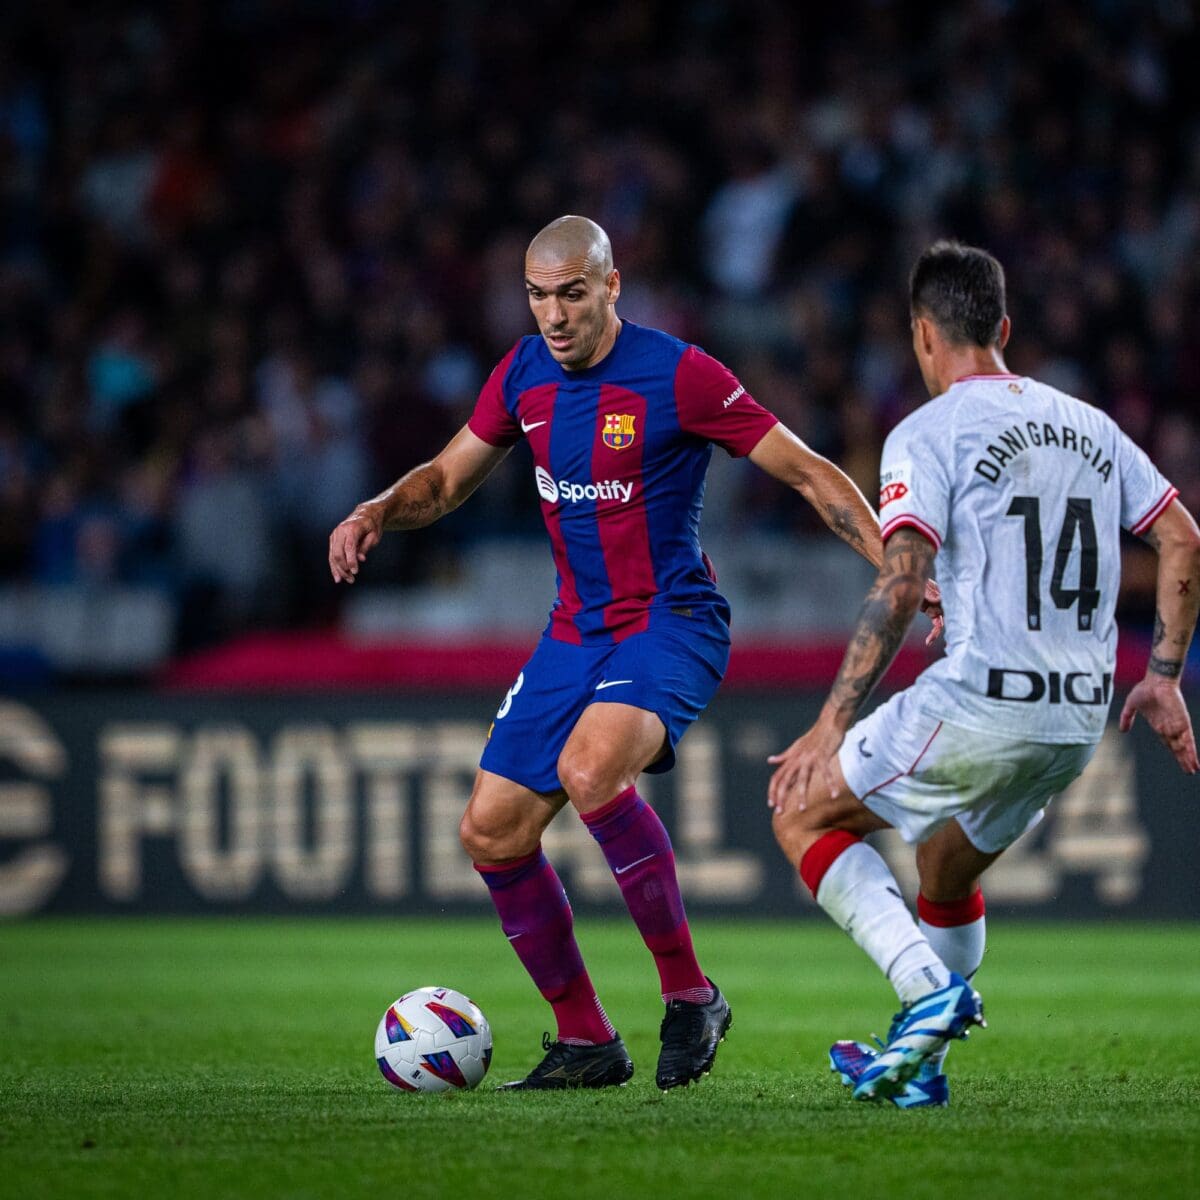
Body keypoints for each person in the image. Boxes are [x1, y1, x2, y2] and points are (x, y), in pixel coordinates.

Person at [329, 215, 938, 1091]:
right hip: (572, 634)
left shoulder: (679, 374)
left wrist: (905, 569)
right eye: (538, 297)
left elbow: (807, 472)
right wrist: (376, 511)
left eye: (572, 294)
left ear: (612, 286)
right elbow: (446, 478)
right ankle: (587, 1042)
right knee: (490, 833)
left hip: (672, 623)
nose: (554, 316)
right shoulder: (523, 373)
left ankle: (691, 997)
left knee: (590, 768)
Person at [767, 239, 1200, 1107]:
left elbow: (898, 587)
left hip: (979, 700)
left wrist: (829, 725)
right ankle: (921, 1070)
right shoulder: (1089, 425)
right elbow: (1182, 536)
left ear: (922, 336)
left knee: (798, 809)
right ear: (1003, 327)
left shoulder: (926, 433)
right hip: (1079, 717)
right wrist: (1162, 676)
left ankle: (926, 994)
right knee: (945, 874)